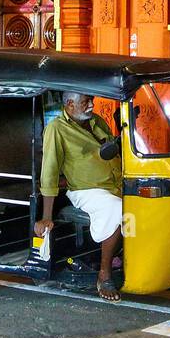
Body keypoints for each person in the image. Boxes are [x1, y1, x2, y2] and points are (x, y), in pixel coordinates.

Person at [35, 91, 123, 301]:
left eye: (91, 100)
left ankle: (121, 257)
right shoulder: (56, 129)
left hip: (115, 184)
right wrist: (46, 216)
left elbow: (112, 148)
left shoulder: (97, 121)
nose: (91, 105)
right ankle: (104, 274)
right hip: (85, 190)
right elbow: (50, 172)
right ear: (69, 105)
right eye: (85, 102)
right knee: (115, 207)